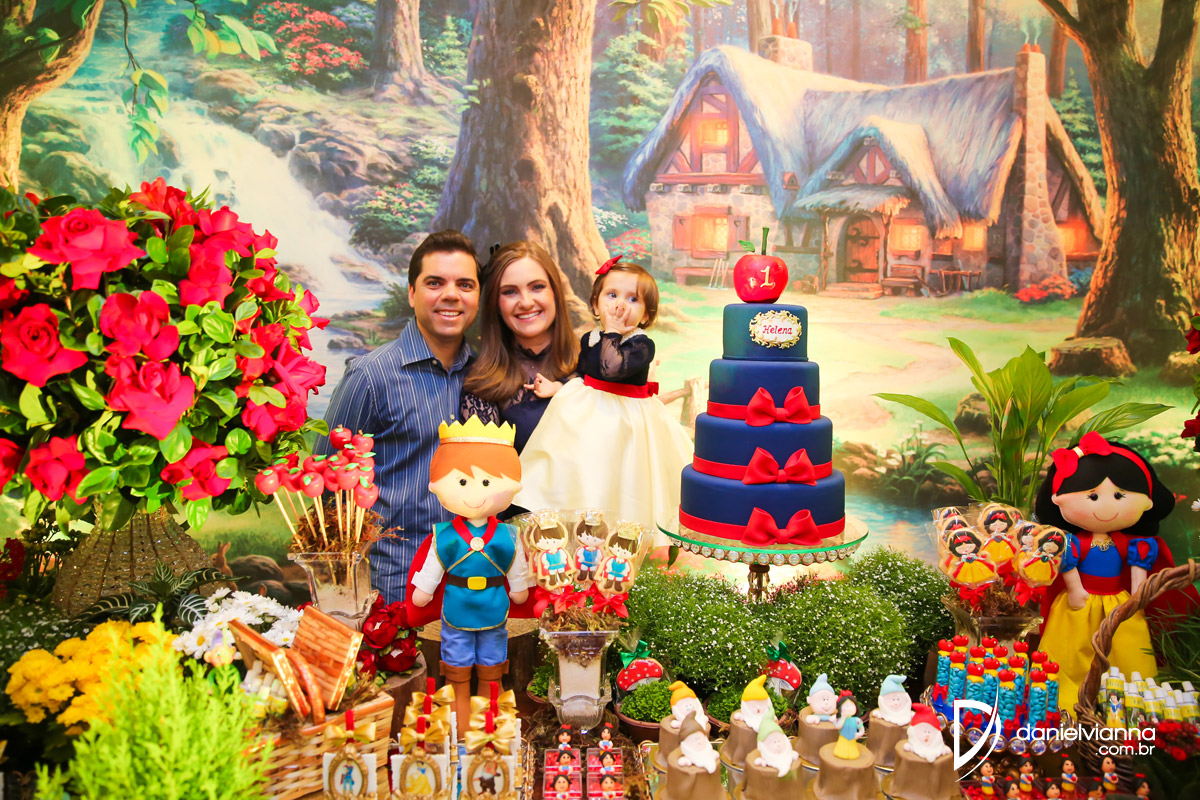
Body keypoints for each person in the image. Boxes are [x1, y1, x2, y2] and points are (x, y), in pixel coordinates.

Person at [320, 230, 480, 602]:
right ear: (411, 293)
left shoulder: (486, 374)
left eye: (465, 284)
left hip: (474, 587)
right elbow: (329, 486)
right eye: (435, 283)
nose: (451, 294)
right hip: (394, 588)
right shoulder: (371, 376)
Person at [514, 256, 692, 529]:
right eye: (612, 295)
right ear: (596, 305)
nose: (620, 305)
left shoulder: (641, 344)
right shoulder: (590, 338)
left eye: (632, 299)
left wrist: (613, 332)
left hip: (627, 419)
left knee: (621, 474)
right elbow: (585, 372)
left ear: (646, 315)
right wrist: (558, 386)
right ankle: (578, 524)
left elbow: (611, 368)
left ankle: (621, 531)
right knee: (584, 467)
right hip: (589, 413)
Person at [1035, 432, 1198, 708]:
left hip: (1120, 605)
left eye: (1120, 495)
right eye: (1093, 496)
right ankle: (1066, 699)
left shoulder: (1135, 545)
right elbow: (1068, 564)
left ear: (1148, 502)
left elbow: (1138, 569)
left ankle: (1131, 699)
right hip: (1079, 604)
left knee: (1128, 649)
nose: (1106, 506)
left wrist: (1138, 594)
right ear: (1058, 500)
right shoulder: (1072, 544)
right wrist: (1075, 589)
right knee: (1069, 652)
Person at [461, 241, 579, 453]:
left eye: (537, 287)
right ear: (496, 305)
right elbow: (484, 469)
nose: (526, 302)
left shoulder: (598, 363)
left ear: (555, 292)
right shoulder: (481, 386)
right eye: (509, 292)